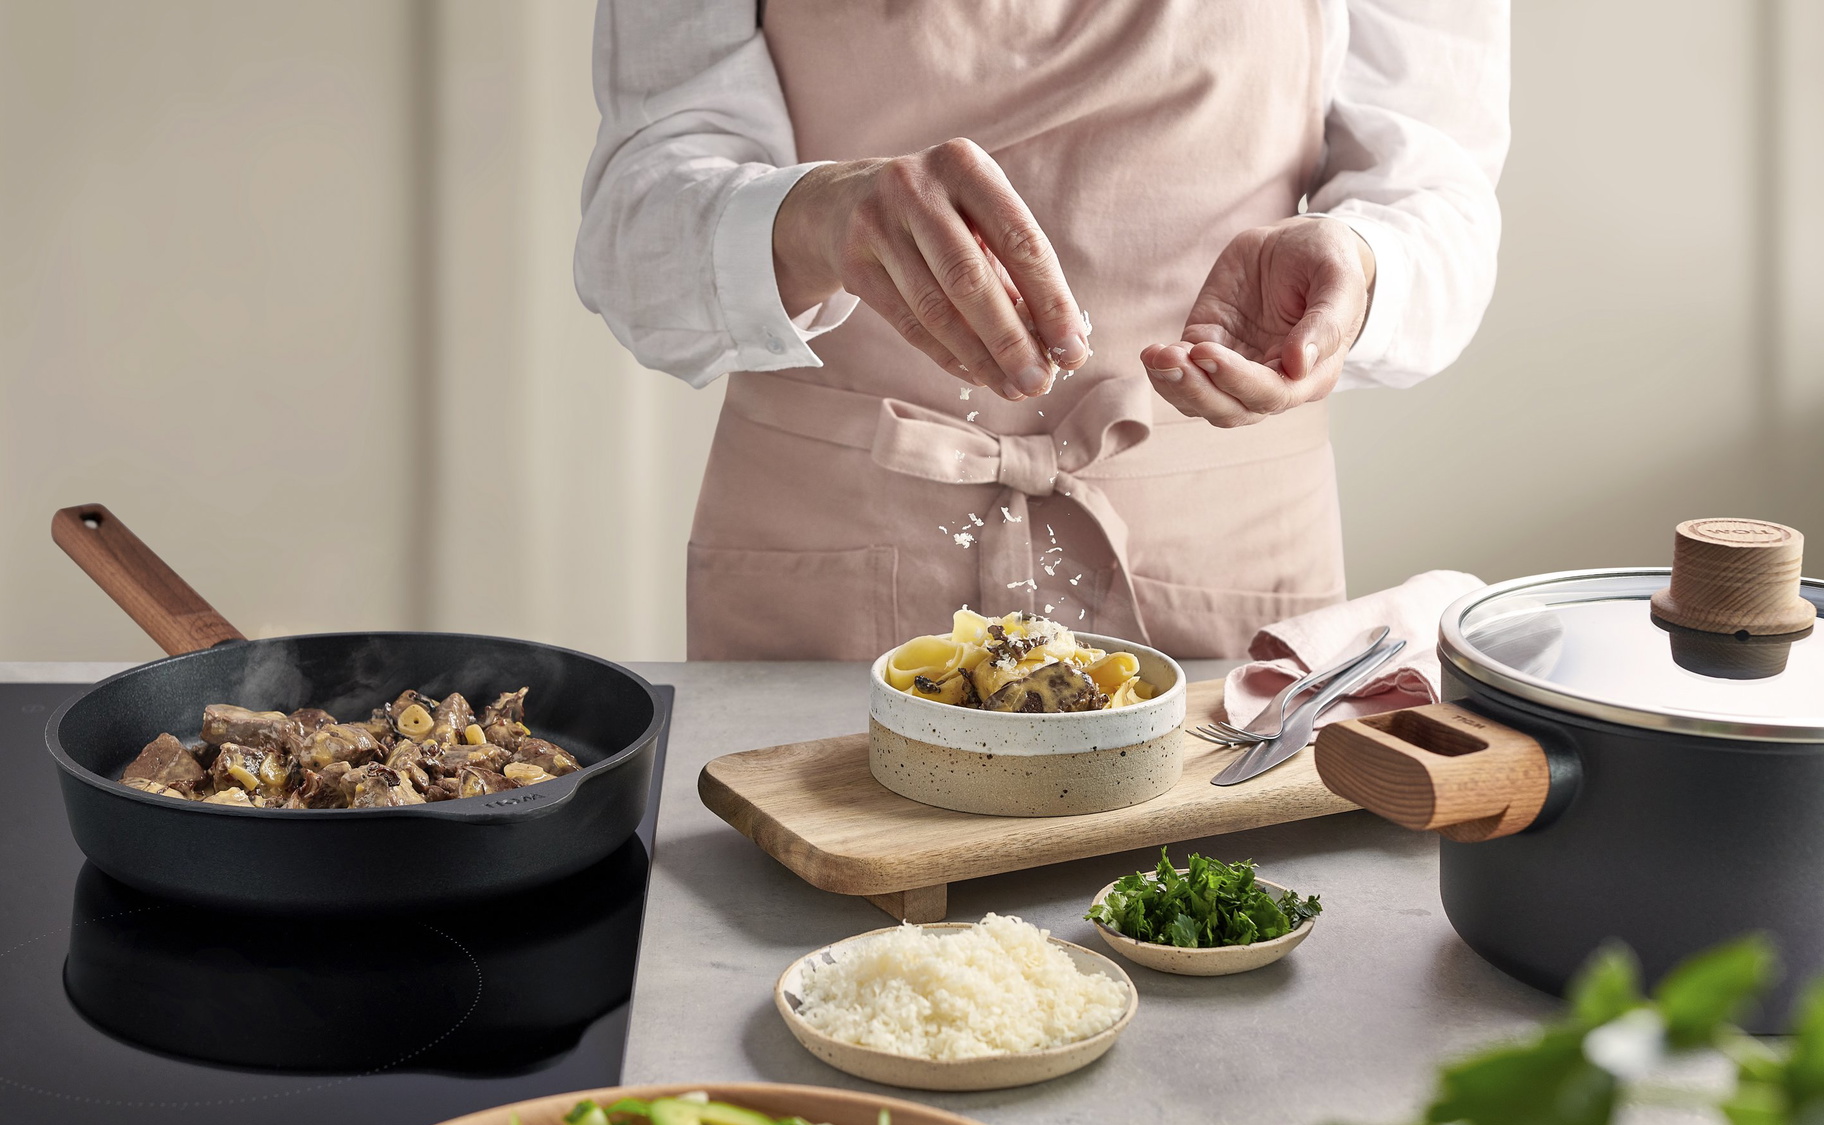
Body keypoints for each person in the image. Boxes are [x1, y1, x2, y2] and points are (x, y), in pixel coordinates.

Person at [576, 1, 1509, 661]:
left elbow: (1438, 191)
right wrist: (812, 219)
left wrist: (1365, 260)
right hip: (829, 562)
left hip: (1222, 575)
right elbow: (634, 224)